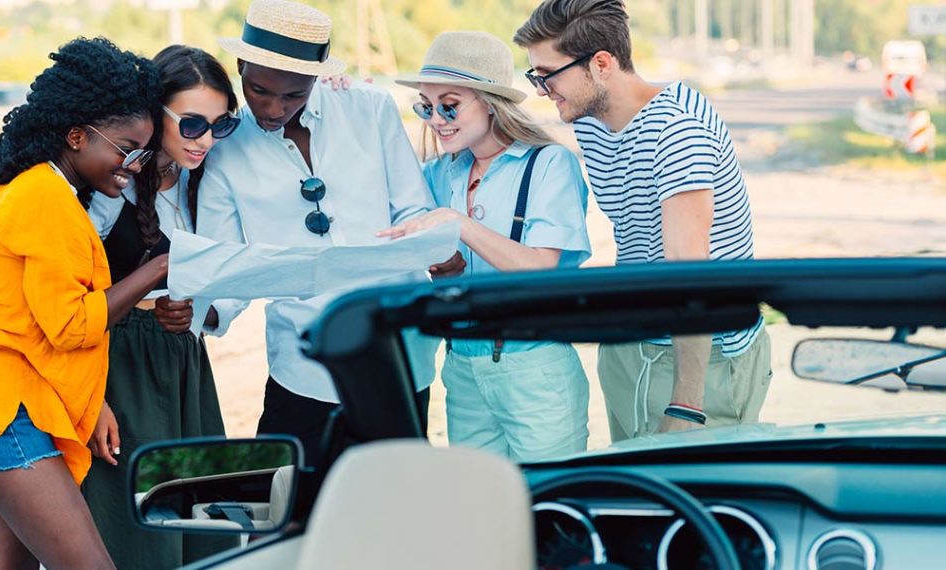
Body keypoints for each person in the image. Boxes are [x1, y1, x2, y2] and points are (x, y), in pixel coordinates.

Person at [0, 37, 166, 569]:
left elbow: (37, 316)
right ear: (77, 135)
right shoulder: (46, 196)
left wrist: (92, 401)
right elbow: (72, 325)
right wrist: (160, 268)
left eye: (145, 153)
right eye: (126, 149)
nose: (134, 165)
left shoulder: (40, 185)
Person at [197, 0, 460, 466]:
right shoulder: (222, 151)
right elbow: (227, 265)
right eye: (258, 90)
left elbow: (414, 208)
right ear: (239, 65)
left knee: (392, 501)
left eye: (294, 95)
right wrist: (207, 313)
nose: (274, 108)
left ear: (318, 79)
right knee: (296, 510)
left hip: (397, 353)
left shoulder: (370, 110)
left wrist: (435, 250)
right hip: (303, 364)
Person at [514, 0, 772, 441]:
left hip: (702, 359)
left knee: (696, 500)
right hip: (634, 341)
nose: (541, 89)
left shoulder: (678, 132)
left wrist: (687, 406)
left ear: (601, 64)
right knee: (634, 497)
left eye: (548, 75)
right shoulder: (591, 120)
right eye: (534, 75)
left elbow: (690, 273)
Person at [378, 31, 592, 462]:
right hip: (460, 368)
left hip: (533, 367)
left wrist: (458, 224)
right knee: (482, 508)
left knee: (548, 506)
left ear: (490, 101)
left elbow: (541, 270)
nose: (436, 119)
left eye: (449, 105)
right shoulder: (437, 173)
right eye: (426, 105)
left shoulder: (549, 163)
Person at [82, 45, 240, 569]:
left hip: (185, 365)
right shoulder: (110, 184)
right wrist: (90, 398)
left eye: (222, 125)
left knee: (199, 529)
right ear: (155, 114)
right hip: (117, 368)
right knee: (135, 534)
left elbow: (232, 272)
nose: (207, 140)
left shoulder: (211, 176)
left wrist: (202, 311)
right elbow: (73, 298)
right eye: (192, 123)